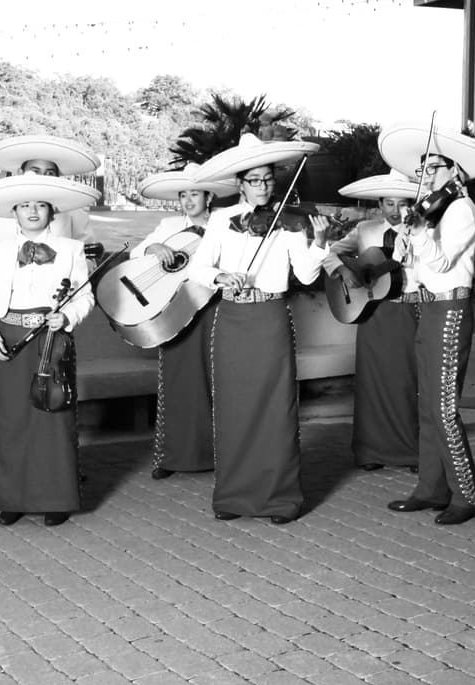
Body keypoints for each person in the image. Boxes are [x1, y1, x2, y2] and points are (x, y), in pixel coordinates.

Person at [186, 133, 329, 525]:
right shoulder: (220, 219)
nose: (264, 187)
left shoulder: (290, 222)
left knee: (275, 408)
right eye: (255, 180)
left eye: (268, 179)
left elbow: (305, 275)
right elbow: (198, 268)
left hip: (270, 318)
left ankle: (280, 499)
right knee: (233, 406)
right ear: (240, 183)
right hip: (232, 319)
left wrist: (319, 242)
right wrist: (220, 277)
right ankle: (233, 496)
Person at [0, 135, 101, 496]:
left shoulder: (73, 215)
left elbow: (89, 256)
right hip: (10, 319)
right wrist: (0, 266)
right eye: (35, 170)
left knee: (56, 401)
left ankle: (59, 474)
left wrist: (73, 290)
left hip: (51, 321)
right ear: (20, 174)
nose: (41, 178)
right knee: (5, 405)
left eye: (50, 173)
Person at [379, 123, 475, 526]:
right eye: (423, 170)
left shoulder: (462, 209)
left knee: (444, 407)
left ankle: (467, 494)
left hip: (451, 309)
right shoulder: (432, 213)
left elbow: (445, 262)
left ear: (455, 170)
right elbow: (421, 272)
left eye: (435, 167)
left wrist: (419, 235)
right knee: (427, 404)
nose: (427, 176)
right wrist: (405, 249)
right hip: (430, 307)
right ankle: (430, 488)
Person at [127, 163, 238, 479]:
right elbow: (136, 254)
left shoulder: (225, 223)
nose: (188, 200)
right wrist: (155, 247)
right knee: (177, 380)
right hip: (177, 310)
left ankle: (223, 456)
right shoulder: (170, 225)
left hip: (216, 307)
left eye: (195, 194)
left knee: (220, 380)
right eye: (183, 195)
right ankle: (172, 456)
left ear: (209, 197)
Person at [326, 170, 421, 472]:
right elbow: (331, 254)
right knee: (372, 383)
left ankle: (412, 451)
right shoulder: (365, 229)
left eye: (402, 203)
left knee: (408, 380)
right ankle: (371, 451)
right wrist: (344, 271)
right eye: (389, 203)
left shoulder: (421, 230)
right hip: (372, 314)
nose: (395, 210)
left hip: (407, 311)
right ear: (379, 204)